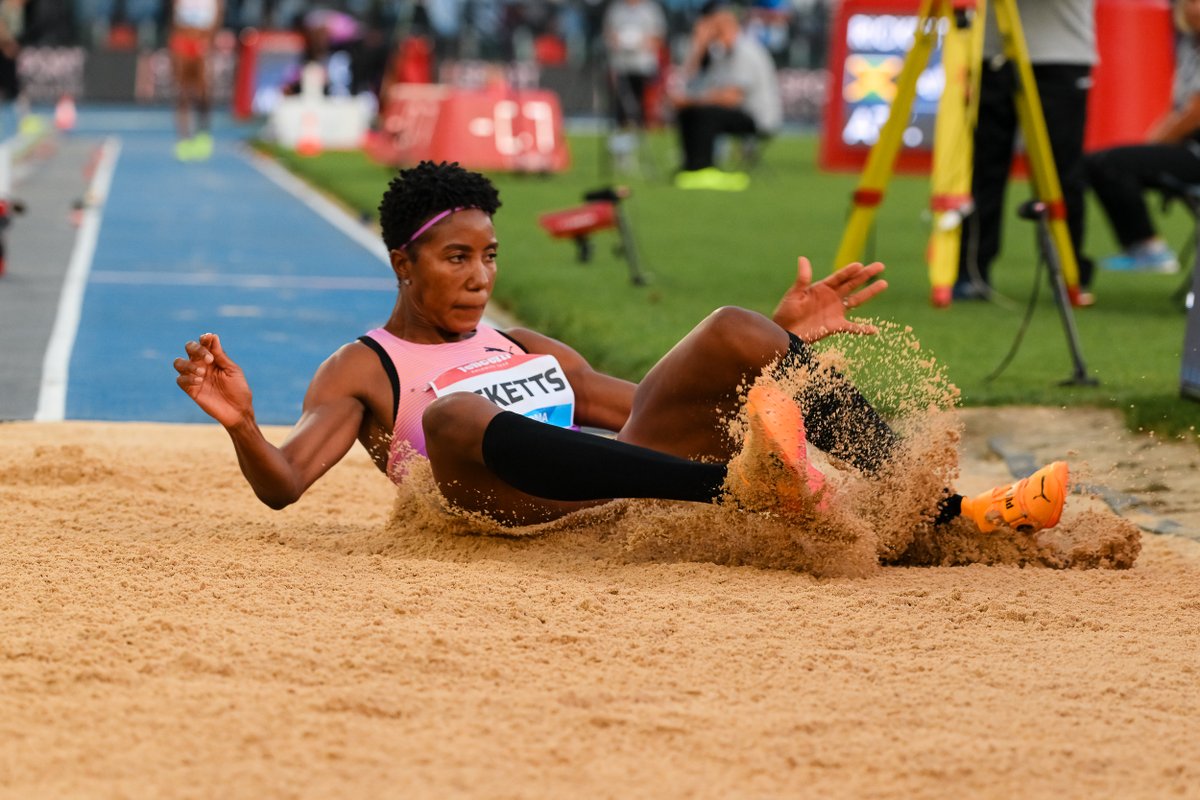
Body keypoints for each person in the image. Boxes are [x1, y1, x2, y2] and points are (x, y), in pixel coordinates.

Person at [173, 160, 1068, 539]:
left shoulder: (526, 346)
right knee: (453, 414)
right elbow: (286, 485)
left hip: (619, 493)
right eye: (455, 259)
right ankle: (744, 489)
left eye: (489, 256)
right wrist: (244, 426)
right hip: (500, 517)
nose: (479, 278)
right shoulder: (365, 367)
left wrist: (774, 345)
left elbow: (657, 405)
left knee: (731, 331)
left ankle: (943, 510)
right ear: (404, 263)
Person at [954, 0, 1097, 306]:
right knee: (983, 169)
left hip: (1061, 51)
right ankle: (971, 271)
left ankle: (1069, 274)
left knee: (1061, 171)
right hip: (990, 50)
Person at [1080, 0, 1200, 275]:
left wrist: (1154, 147)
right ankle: (1143, 245)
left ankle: (1148, 248)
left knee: (1109, 163)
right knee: (1103, 161)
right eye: (1189, 2)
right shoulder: (1187, 44)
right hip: (1189, 146)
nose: (1194, 9)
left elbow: (1195, 113)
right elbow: (1181, 109)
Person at [669, 1, 782, 191]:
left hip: (756, 117)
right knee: (689, 112)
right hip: (734, 112)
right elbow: (691, 79)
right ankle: (690, 167)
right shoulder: (721, 54)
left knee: (705, 113)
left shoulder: (746, 52)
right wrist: (699, 46)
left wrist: (691, 100)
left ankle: (704, 167)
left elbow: (731, 98)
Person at [602, 0, 667, 170]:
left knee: (640, 111)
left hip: (642, 67)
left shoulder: (651, 9)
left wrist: (639, 44)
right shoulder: (616, 9)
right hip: (620, 66)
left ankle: (636, 150)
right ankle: (622, 153)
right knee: (621, 112)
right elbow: (608, 33)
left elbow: (658, 37)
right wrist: (619, 42)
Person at [169, 0, 222, 162]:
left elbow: (218, 16)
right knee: (182, 92)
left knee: (203, 92)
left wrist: (210, 40)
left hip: (202, 40)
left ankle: (203, 135)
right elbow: (174, 15)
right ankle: (183, 139)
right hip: (182, 40)